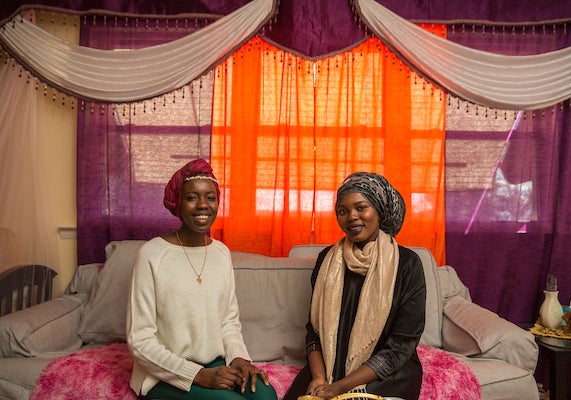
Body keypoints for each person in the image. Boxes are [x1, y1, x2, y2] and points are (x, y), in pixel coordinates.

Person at [127, 158, 277, 400]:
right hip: (164, 373)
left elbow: (228, 321)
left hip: (215, 362)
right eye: (192, 197)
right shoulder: (152, 254)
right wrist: (197, 374)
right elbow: (140, 340)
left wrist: (239, 359)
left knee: (265, 396)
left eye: (210, 197)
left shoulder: (221, 253)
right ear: (178, 203)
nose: (202, 205)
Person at [283, 172, 426, 400]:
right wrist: (319, 378)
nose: (352, 217)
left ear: (379, 211)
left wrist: (339, 388)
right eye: (343, 211)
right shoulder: (326, 261)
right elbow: (314, 333)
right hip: (329, 367)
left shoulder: (407, 264)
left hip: (385, 373)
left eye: (361, 207)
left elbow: (401, 345)